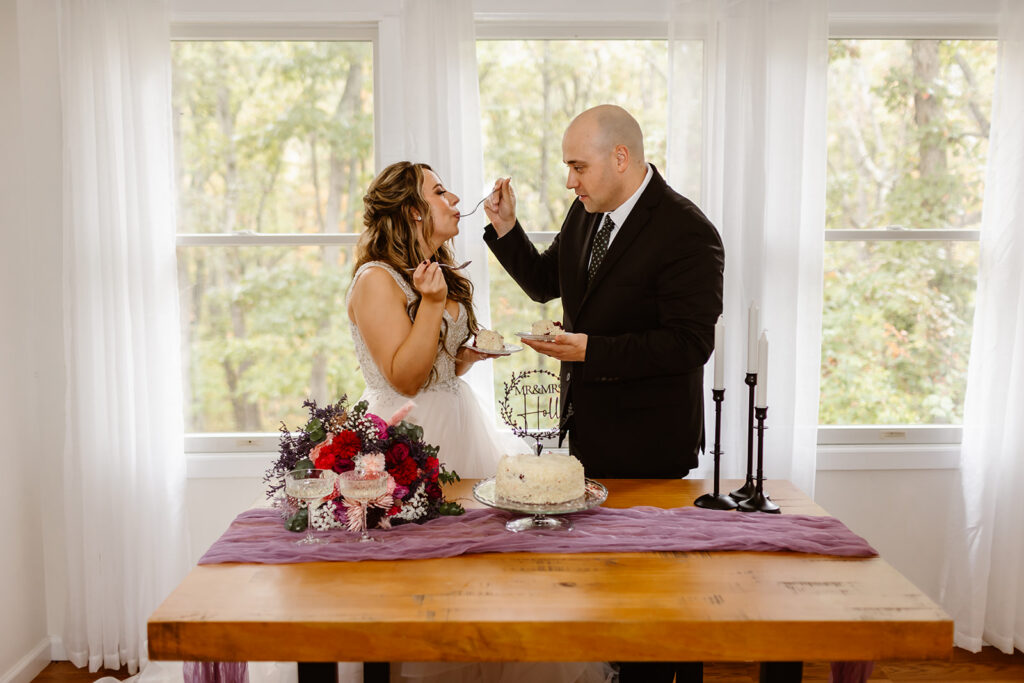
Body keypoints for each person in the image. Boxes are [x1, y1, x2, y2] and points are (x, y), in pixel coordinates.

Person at [347, 160, 615, 683]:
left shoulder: (437, 270)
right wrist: (430, 303)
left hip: (460, 424)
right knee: (422, 577)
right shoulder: (376, 280)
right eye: (439, 191)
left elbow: (437, 362)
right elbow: (404, 378)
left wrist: (469, 355)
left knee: (484, 572)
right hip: (408, 436)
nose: (453, 199)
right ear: (409, 210)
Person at [483, 105, 725, 682]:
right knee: (608, 596)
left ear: (621, 157)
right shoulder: (586, 212)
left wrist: (592, 350)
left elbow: (690, 345)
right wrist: (506, 229)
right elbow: (548, 283)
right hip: (589, 436)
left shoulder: (688, 231)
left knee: (660, 602)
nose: (570, 181)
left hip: (652, 447)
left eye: (577, 167)